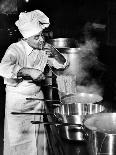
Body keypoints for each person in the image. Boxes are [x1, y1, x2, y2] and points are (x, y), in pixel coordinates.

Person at [0, 10, 67, 155]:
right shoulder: (15, 49)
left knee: (37, 140)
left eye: (42, 35)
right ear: (26, 38)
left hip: (37, 100)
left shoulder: (43, 48)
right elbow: (3, 67)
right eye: (36, 37)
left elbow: (63, 66)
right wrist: (28, 71)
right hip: (19, 103)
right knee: (19, 141)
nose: (41, 40)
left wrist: (55, 53)